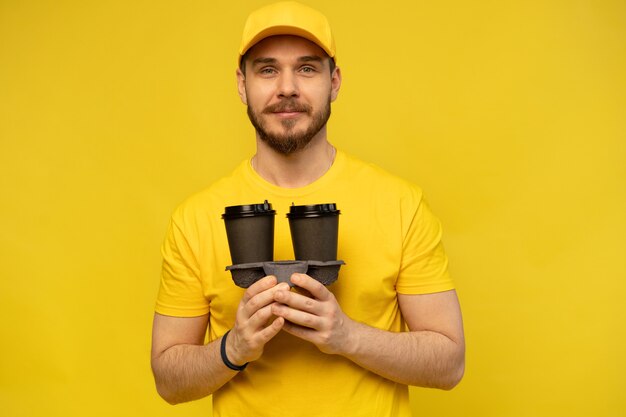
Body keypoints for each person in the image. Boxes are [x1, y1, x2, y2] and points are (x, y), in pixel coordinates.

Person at [151, 2, 465, 416]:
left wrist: (345, 335)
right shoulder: (195, 218)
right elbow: (168, 380)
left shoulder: (400, 204)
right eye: (267, 69)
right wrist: (234, 347)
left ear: (334, 82)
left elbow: (449, 364)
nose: (286, 88)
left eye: (306, 68)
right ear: (241, 85)